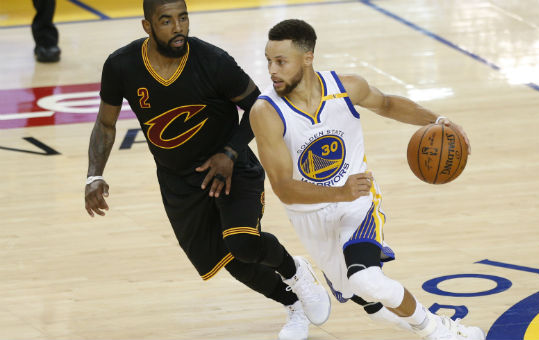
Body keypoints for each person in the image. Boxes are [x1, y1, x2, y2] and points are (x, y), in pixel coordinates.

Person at [83, 2, 330, 340]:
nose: (178, 27)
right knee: (229, 260)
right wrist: (94, 175)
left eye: (182, 18)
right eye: (166, 21)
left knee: (242, 242)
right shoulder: (121, 65)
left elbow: (260, 108)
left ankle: (295, 270)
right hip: (179, 182)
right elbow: (106, 124)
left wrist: (229, 153)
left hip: (232, 168)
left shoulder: (212, 61)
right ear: (147, 26)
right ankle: (293, 304)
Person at [250, 19, 484, 340]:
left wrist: (439, 121)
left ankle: (441, 331)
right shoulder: (266, 112)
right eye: (269, 61)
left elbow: (386, 104)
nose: (272, 70)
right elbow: (284, 189)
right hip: (310, 215)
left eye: (281, 61)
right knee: (376, 309)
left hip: (358, 202)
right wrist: (336, 193)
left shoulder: (345, 88)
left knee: (366, 280)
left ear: (307, 58)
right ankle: (309, 272)